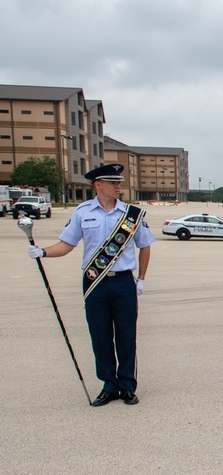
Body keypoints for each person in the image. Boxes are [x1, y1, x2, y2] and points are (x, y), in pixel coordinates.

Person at [26, 163, 154, 407]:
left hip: (124, 282)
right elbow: (66, 244)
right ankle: (109, 386)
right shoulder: (82, 212)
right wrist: (42, 252)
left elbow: (145, 245)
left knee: (126, 336)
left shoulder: (130, 214)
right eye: (112, 182)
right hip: (95, 282)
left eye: (118, 182)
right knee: (100, 335)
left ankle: (127, 385)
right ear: (98, 185)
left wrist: (142, 279)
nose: (118, 186)